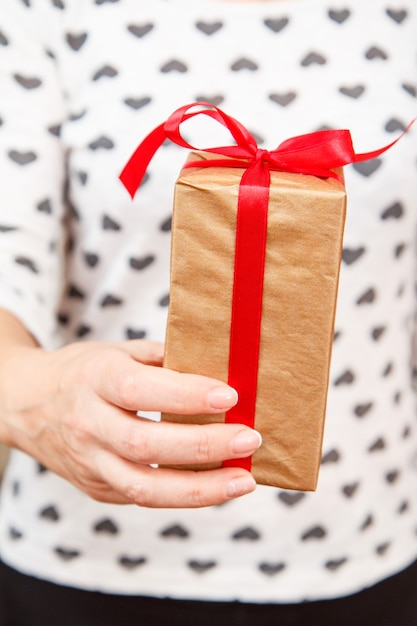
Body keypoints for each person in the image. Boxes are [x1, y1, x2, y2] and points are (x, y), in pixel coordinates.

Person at [0, 0, 416, 624]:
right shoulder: (47, 11)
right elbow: (11, 257)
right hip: (85, 555)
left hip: (369, 545)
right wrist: (27, 392)